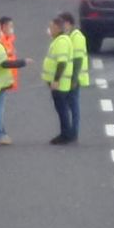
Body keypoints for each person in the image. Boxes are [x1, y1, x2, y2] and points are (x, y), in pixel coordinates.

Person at [58, 12, 90, 142]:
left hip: (74, 78)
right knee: (69, 105)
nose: (61, 26)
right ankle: (70, 131)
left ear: (69, 23)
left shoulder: (77, 37)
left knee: (73, 106)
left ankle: (74, 132)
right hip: (68, 78)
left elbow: (77, 60)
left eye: (63, 23)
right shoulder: (67, 36)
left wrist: (74, 79)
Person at [42, 16, 74, 144]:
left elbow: (62, 63)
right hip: (61, 82)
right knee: (62, 108)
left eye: (51, 27)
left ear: (57, 27)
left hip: (60, 83)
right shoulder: (59, 40)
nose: (49, 29)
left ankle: (65, 134)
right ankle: (66, 133)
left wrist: (56, 80)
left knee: (62, 109)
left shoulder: (61, 42)